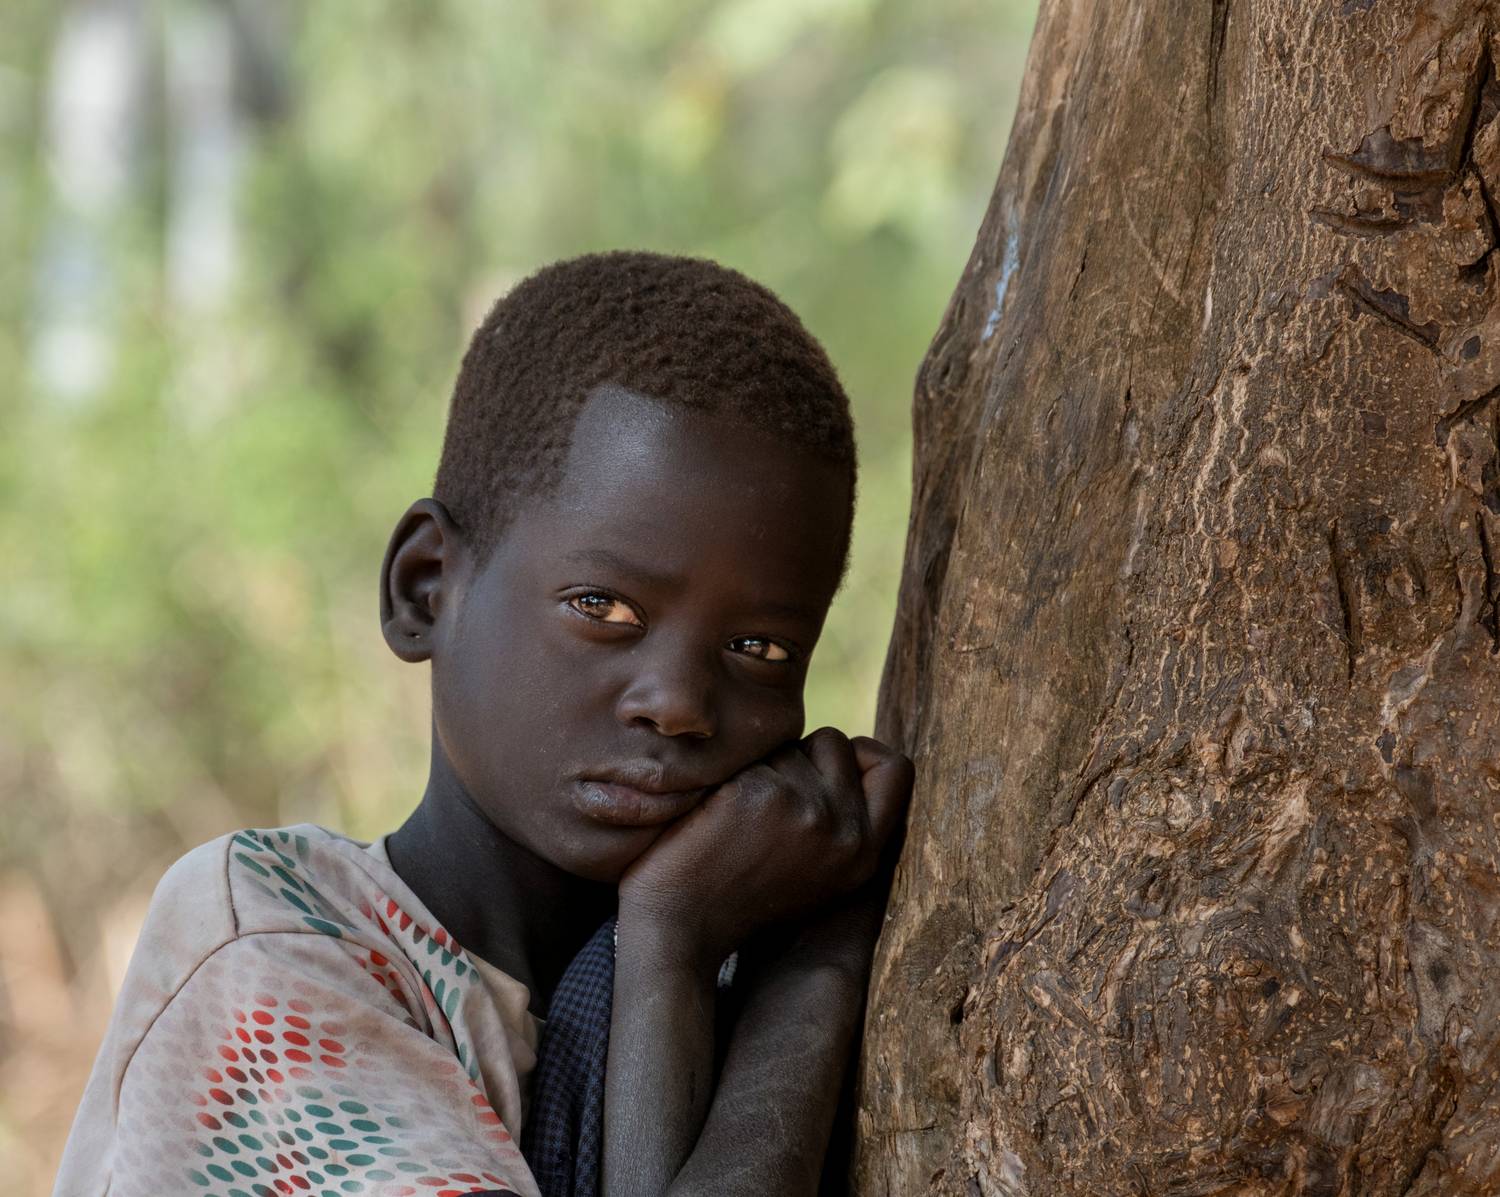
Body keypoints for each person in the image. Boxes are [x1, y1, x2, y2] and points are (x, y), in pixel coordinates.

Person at [53, 251, 914, 1197]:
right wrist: (795, 968)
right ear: (426, 588)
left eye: (759, 650)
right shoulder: (267, 955)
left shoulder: (721, 973)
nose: (677, 702)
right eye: (604, 606)